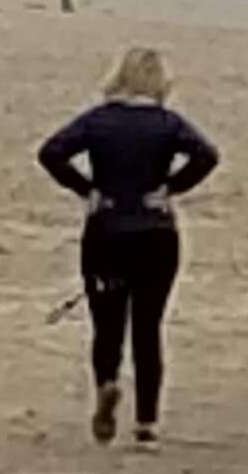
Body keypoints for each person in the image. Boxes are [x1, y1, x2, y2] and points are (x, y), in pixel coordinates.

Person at [35, 47, 221, 447]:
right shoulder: (168, 123)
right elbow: (207, 155)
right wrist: (171, 188)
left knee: (107, 325)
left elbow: (51, 152)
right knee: (148, 328)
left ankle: (107, 382)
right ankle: (146, 424)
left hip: (107, 231)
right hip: (156, 233)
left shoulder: (99, 120)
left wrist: (87, 189)